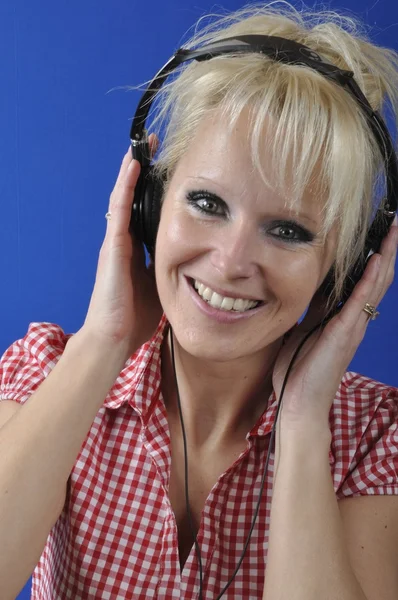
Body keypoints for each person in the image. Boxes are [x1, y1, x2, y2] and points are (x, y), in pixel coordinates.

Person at [1, 3, 398, 599]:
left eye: (288, 230)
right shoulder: (48, 373)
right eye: (208, 203)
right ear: (148, 205)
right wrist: (102, 345)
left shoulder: (376, 435)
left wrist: (301, 422)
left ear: (343, 269)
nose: (232, 261)